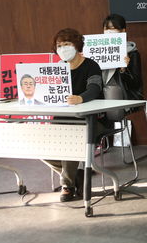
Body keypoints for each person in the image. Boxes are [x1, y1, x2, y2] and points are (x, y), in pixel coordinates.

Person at [44, 28, 105, 202]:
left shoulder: (91, 65)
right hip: (61, 120)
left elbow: (95, 88)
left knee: (69, 140)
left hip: (90, 121)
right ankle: (75, 173)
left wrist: (80, 98)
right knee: (39, 144)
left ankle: (67, 186)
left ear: (76, 45)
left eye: (67, 44)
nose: (63, 48)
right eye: (59, 45)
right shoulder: (57, 68)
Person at [101, 14, 143, 120]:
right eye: (106, 29)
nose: (109, 32)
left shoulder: (132, 53)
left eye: (113, 28)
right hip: (100, 98)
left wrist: (124, 69)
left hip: (124, 98)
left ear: (123, 31)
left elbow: (135, 83)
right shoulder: (98, 51)